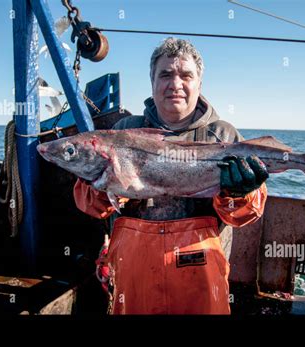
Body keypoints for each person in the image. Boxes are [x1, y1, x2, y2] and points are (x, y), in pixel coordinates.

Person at [74, 37, 268, 314]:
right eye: (165, 74)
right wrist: (106, 186)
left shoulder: (223, 135)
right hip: (133, 276)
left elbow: (242, 216)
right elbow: (90, 206)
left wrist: (239, 194)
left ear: (199, 84)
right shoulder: (124, 130)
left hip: (201, 277)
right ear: (152, 82)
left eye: (186, 75)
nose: (175, 84)